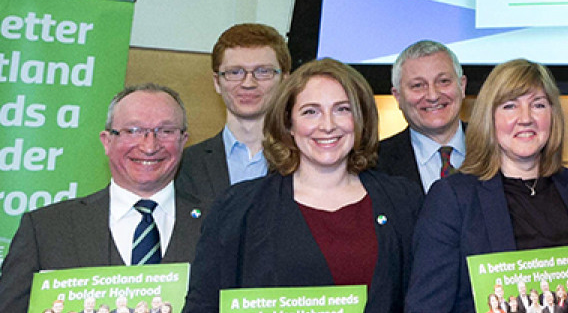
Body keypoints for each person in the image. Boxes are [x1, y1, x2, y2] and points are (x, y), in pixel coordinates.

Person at [184, 58, 423, 313]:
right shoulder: (239, 207)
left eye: (342, 109)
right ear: (289, 124)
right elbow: (203, 305)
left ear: (361, 118)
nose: (328, 125)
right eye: (311, 111)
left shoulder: (404, 200)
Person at [405, 59, 568, 312]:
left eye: (538, 105)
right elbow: (427, 306)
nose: (526, 119)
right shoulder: (453, 198)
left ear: (553, 115)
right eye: (510, 106)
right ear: (489, 118)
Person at [0, 84, 205, 313]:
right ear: (107, 141)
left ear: (183, 140)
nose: (149, 146)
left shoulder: (220, 225)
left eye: (165, 131)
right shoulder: (45, 229)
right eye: (133, 130)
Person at [176, 23, 291, 202]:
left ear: (284, 80)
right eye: (235, 72)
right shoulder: (183, 165)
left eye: (263, 71)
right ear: (217, 82)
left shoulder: (304, 161)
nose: (248, 83)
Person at [376, 40, 468, 192]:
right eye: (418, 85)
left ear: (462, 86)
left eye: (443, 81)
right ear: (398, 96)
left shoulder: (497, 148)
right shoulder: (374, 163)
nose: (433, 95)